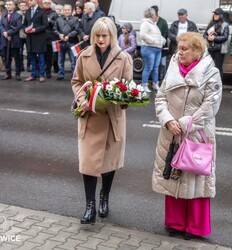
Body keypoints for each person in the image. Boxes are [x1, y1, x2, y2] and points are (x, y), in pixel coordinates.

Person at [152, 32, 222, 240]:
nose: (179, 52)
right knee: (173, 176)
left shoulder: (211, 73)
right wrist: (167, 119)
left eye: (184, 49)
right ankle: (175, 222)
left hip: (196, 134)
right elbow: (161, 97)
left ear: (197, 51)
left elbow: (210, 106)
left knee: (196, 177)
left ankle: (195, 227)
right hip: (171, 132)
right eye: (178, 48)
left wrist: (183, 124)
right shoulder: (173, 67)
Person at [71, 17, 133, 224]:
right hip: (90, 116)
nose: (100, 39)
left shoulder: (123, 58)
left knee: (109, 163)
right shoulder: (83, 56)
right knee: (88, 163)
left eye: (104, 36)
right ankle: (90, 207)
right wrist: (82, 99)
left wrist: (121, 99)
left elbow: (128, 87)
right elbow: (77, 81)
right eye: (97, 35)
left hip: (112, 118)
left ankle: (104, 197)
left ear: (112, 36)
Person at [139, 7, 166, 92]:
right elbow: (142, 35)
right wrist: (153, 41)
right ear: (151, 15)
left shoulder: (154, 24)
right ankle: (144, 85)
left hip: (157, 49)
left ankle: (155, 84)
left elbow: (159, 36)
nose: (156, 15)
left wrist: (162, 41)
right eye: (155, 14)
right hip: (148, 49)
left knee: (155, 68)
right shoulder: (145, 23)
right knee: (148, 67)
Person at [24, 0, 48, 82]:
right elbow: (24, 24)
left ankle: (41, 75)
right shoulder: (27, 11)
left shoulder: (42, 11)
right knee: (32, 57)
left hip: (39, 38)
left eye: (31, 0)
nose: (29, 2)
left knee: (41, 58)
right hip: (29, 38)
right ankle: (33, 75)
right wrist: (25, 29)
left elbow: (45, 25)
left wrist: (36, 29)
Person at [53, 4, 79, 80]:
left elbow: (77, 30)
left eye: (68, 10)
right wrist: (59, 34)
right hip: (61, 42)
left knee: (73, 60)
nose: (67, 11)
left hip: (72, 42)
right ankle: (60, 75)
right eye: (65, 10)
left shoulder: (75, 19)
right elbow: (54, 29)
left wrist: (69, 36)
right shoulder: (58, 19)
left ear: (71, 10)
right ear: (63, 11)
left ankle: (74, 75)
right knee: (60, 60)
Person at [204, 8, 229, 81]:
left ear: (221, 15)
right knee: (209, 67)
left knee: (218, 68)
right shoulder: (211, 23)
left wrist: (214, 38)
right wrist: (208, 37)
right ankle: (210, 83)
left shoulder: (225, 25)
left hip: (219, 49)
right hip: (210, 49)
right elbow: (204, 35)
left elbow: (225, 37)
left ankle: (218, 84)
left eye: (217, 14)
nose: (215, 15)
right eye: (214, 14)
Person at [0, 0, 22, 81]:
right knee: (7, 58)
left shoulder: (18, 15)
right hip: (5, 40)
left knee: (17, 58)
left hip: (14, 40)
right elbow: (1, 25)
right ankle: (8, 74)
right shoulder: (3, 15)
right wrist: (4, 33)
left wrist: (8, 33)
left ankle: (18, 74)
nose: (8, 6)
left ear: (14, 6)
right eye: (7, 5)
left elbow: (18, 27)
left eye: (10, 5)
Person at [151, 5, 168, 81]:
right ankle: (154, 80)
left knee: (163, 64)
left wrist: (160, 42)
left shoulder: (163, 22)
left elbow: (165, 34)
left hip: (162, 47)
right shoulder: (150, 21)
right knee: (154, 65)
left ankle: (163, 80)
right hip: (153, 47)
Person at [42, 0, 58, 79]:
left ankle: (48, 71)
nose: (47, 4)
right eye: (45, 3)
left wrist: (49, 21)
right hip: (41, 37)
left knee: (49, 56)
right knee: (41, 55)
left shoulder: (54, 13)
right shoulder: (40, 12)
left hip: (51, 37)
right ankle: (41, 71)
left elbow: (56, 24)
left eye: (48, 3)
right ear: (43, 4)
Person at [17, 1, 31, 72]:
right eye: (21, 5)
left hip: (28, 35)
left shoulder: (30, 13)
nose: (23, 6)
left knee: (29, 51)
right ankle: (21, 66)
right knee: (20, 51)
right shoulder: (17, 14)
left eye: (24, 5)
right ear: (19, 6)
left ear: (27, 6)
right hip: (20, 35)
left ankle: (29, 66)